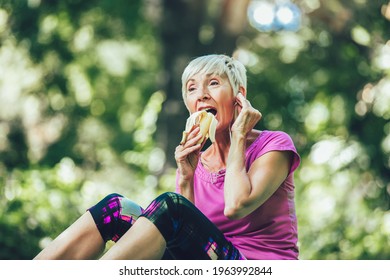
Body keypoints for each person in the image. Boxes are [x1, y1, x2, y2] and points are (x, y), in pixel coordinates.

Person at [34, 54, 300, 260]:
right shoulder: (197, 159)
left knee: (170, 205)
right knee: (116, 208)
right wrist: (186, 174)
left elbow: (236, 205)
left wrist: (239, 136)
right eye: (192, 88)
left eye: (214, 83)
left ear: (239, 96)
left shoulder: (273, 145)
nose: (202, 94)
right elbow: (182, 235)